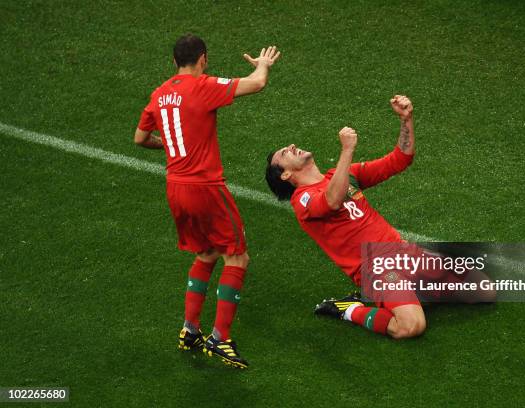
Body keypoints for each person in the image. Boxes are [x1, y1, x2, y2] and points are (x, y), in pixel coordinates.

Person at [265, 95, 495, 339]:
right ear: (285, 174)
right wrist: (347, 150)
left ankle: (413, 290)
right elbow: (331, 201)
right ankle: (350, 310)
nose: (290, 146)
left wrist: (406, 120)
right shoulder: (302, 200)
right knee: (411, 326)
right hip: (378, 270)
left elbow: (399, 160)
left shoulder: (344, 175)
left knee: (485, 291)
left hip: (404, 252)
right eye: (283, 154)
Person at [134, 34, 280, 367]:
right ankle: (219, 338)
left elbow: (140, 138)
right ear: (203, 59)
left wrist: (172, 147)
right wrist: (263, 65)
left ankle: (189, 330)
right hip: (205, 188)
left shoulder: (158, 95)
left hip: (175, 189)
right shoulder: (203, 85)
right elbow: (256, 84)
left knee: (207, 251)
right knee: (237, 257)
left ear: (174, 62)